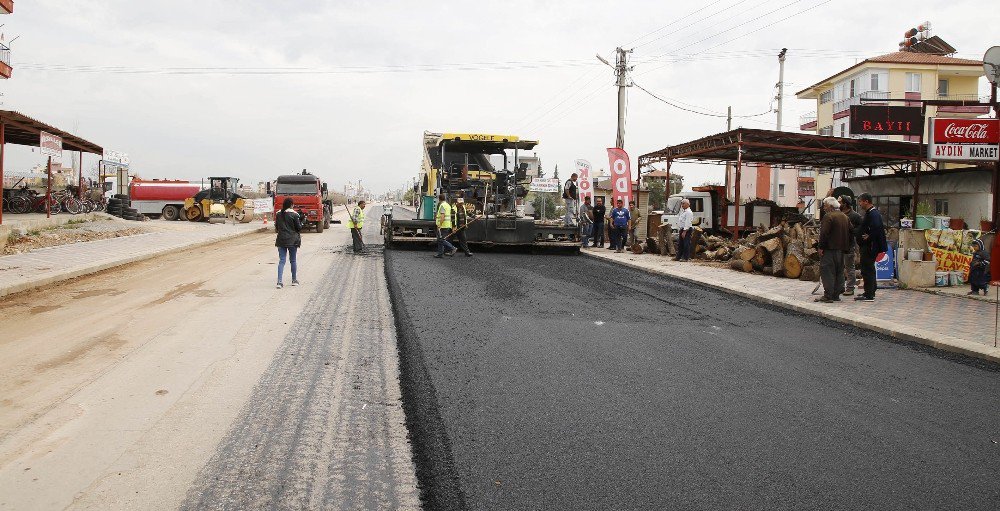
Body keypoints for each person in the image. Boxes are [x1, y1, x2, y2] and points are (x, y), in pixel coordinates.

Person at [816, 196, 852, 303]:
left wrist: (821, 247)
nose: (824, 208)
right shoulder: (845, 217)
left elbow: (824, 233)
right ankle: (837, 294)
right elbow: (851, 232)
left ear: (831, 206)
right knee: (839, 271)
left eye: (825, 206)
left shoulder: (828, 217)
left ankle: (828, 295)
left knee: (827, 271)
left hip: (829, 249)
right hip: (841, 249)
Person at [856, 192, 887, 302]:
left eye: (860, 201)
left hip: (870, 247)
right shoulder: (870, 213)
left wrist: (869, 237)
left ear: (866, 201)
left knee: (867, 269)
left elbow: (877, 228)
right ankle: (870, 290)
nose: (859, 204)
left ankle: (869, 294)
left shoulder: (873, 214)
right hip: (868, 246)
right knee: (868, 268)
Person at [274, 197, 302, 289]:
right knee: (293, 260)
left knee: (282, 261)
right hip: (292, 241)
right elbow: (298, 228)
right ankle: (294, 280)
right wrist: (302, 221)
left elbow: (277, 228)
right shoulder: (295, 215)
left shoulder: (278, 214)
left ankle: (279, 282)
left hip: (281, 240)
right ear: (291, 205)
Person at [840, 196, 863, 296]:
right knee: (838, 267)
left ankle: (850, 288)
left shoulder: (855, 216)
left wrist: (851, 231)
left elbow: (860, 229)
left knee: (849, 267)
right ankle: (840, 287)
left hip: (848, 245)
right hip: (837, 245)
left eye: (840, 202)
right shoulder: (838, 214)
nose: (838, 203)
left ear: (845, 204)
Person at [435, 193, 458, 258]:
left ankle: (452, 248)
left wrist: (439, 224)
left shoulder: (442, 205)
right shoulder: (448, 205)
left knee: (441, 240)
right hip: (447, 225)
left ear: (439, 199)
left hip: (443, 226)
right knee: (440, 240)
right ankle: (440, 254)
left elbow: (442, 216)